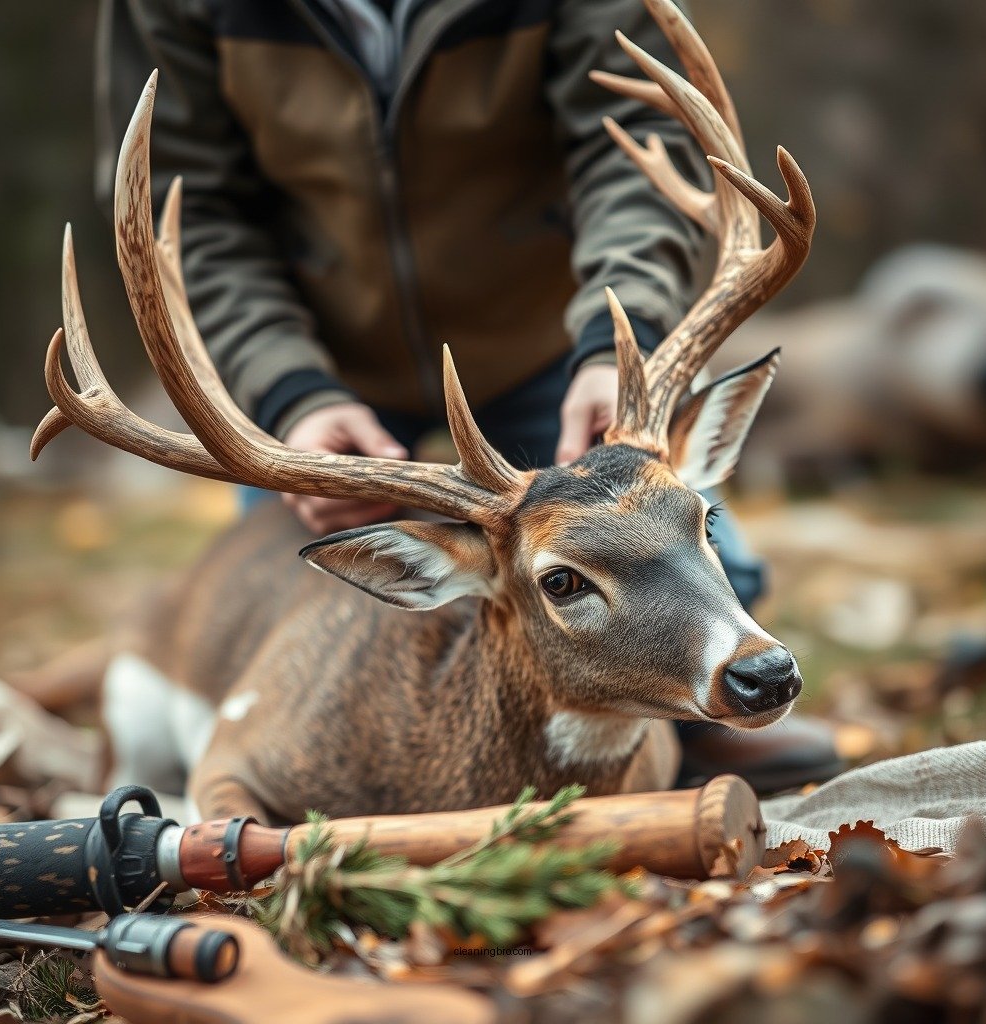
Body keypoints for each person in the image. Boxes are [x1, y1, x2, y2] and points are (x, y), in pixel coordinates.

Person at [96, 0, 841, 789]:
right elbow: (195, 208)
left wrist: (622, 338)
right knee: (280, 603)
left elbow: (628, 139)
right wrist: (288, 393)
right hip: (315, 368)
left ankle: (689, 721)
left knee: (688, 552)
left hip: (550, 347)